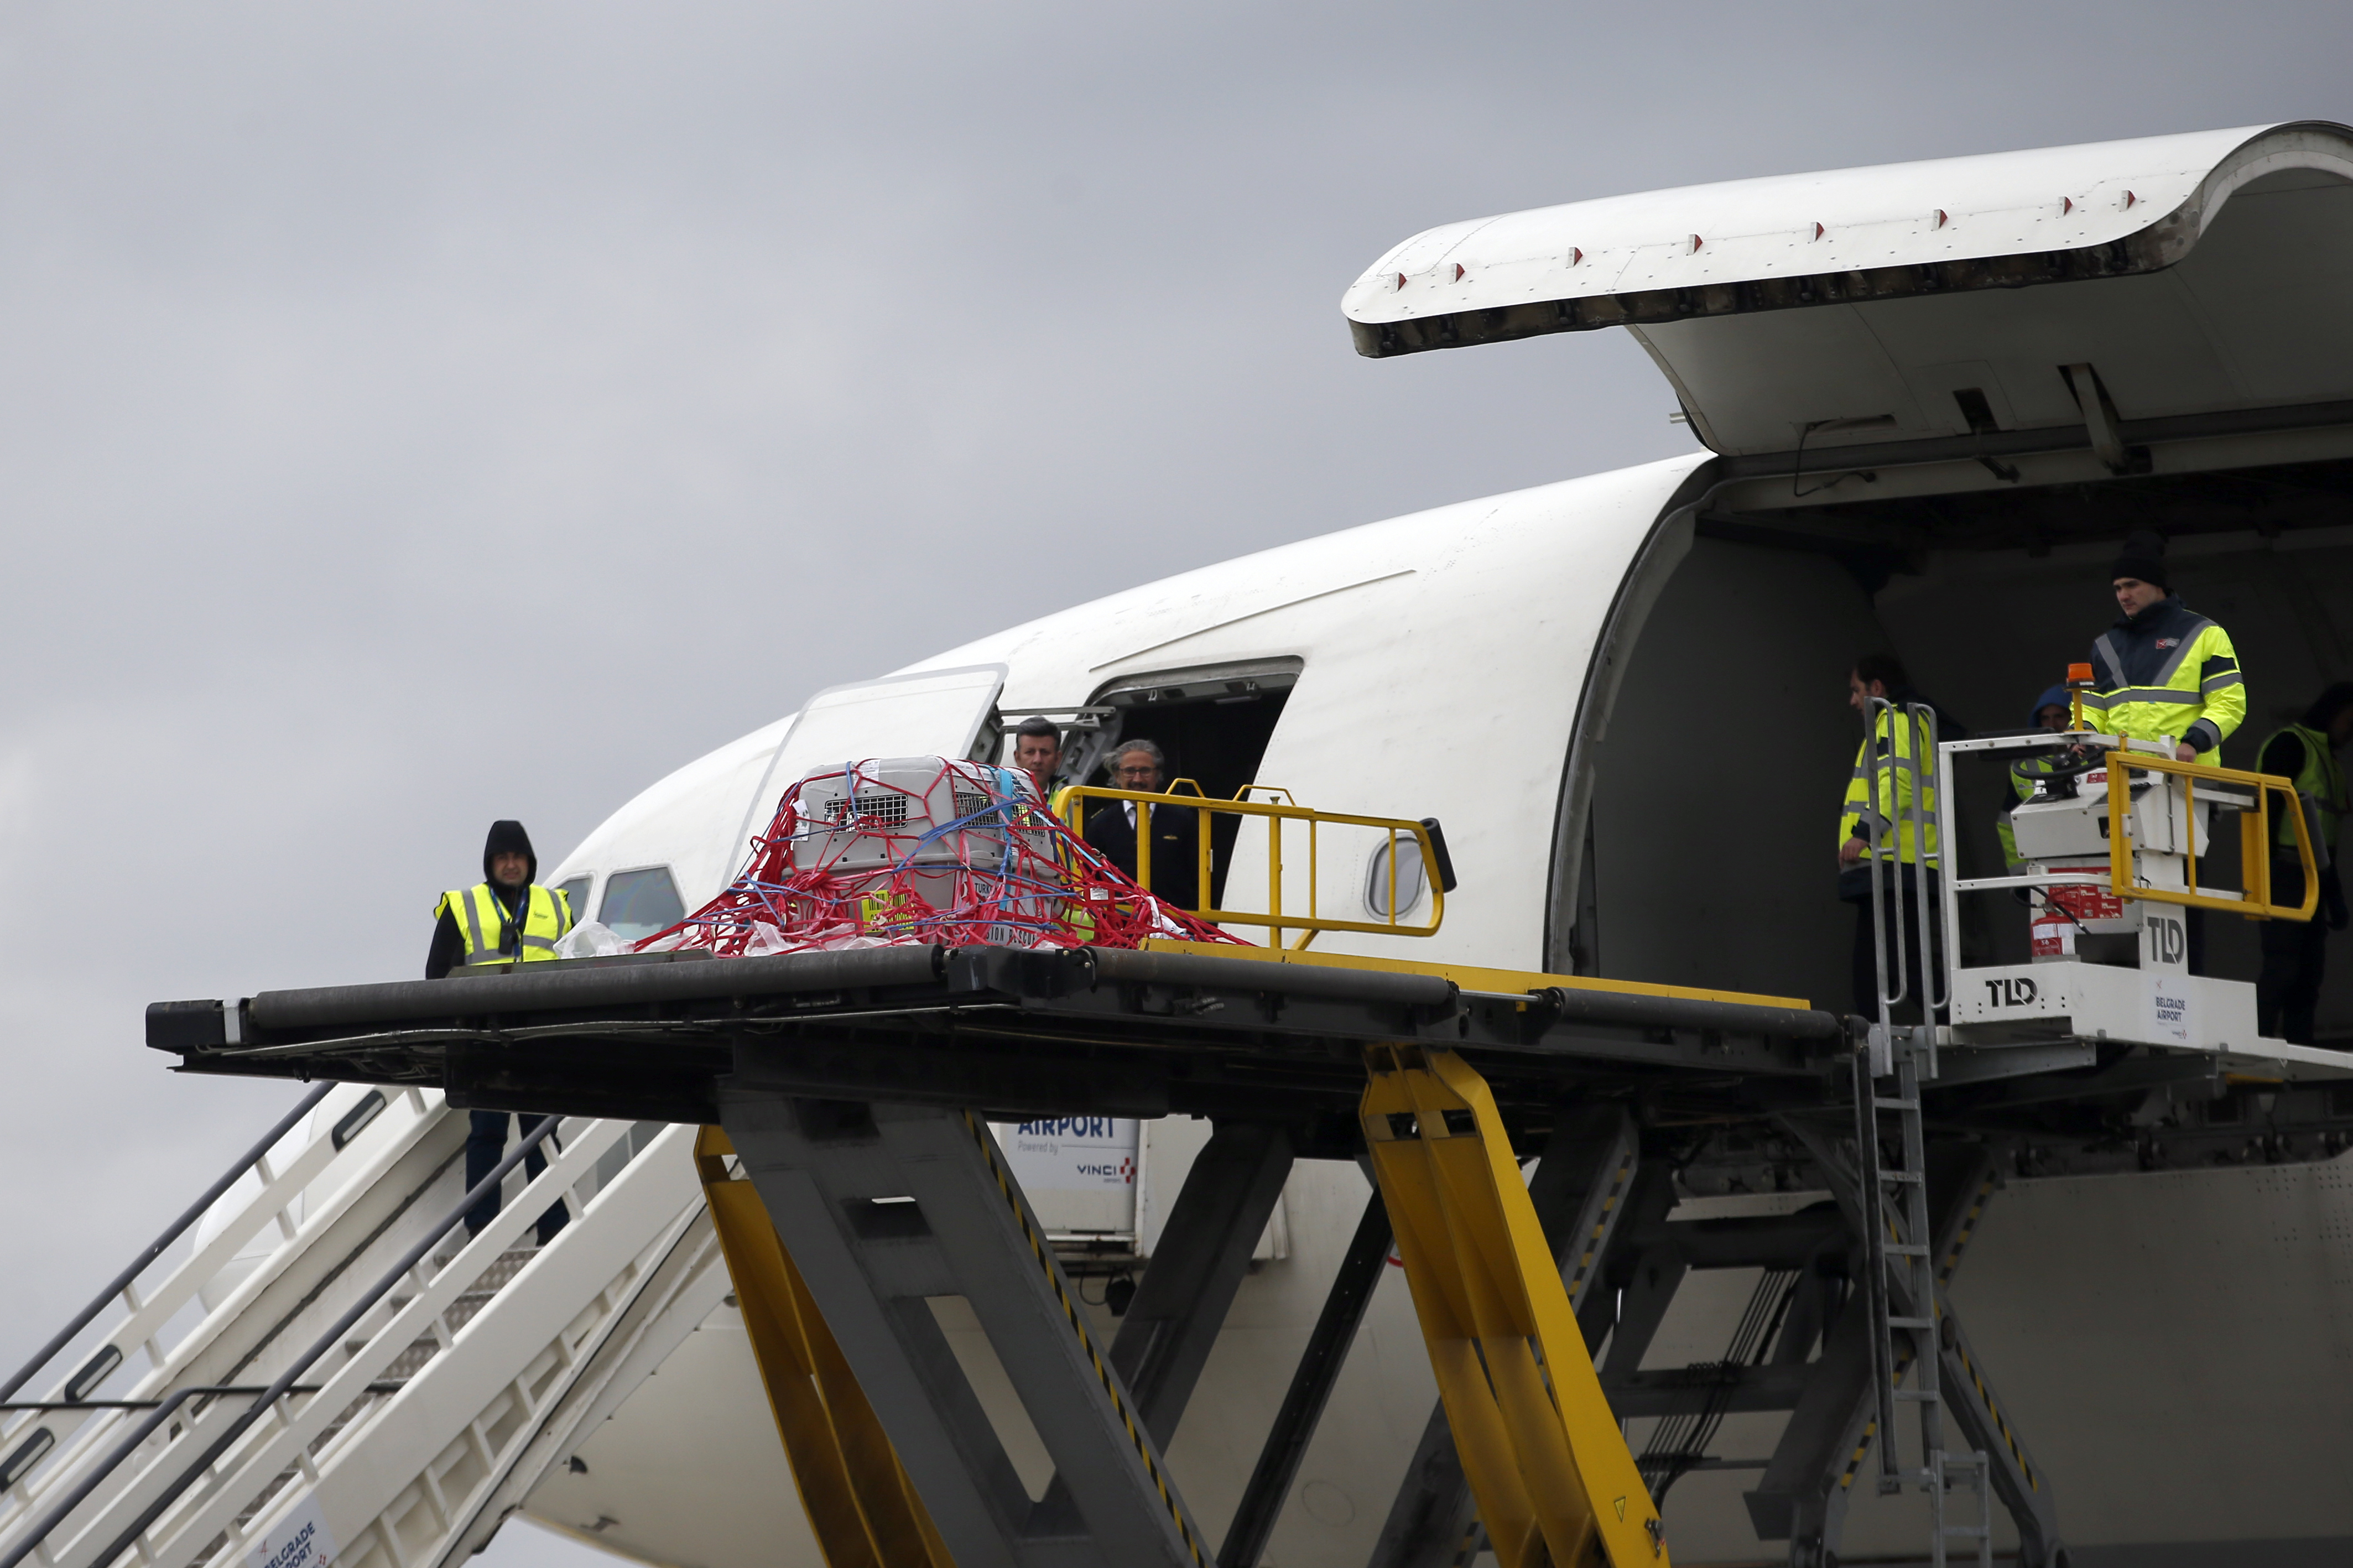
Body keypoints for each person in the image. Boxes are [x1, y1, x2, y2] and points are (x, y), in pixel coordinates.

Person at [428, 820, 574, 1246]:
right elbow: (435, 977)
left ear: (530, 861)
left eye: (518, 857)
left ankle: (553, 1227)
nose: (511, 864)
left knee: (542, 1135)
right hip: (484, 1040)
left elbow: (576, 963)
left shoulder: (556, 904)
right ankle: (481, 1230)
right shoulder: (463, 905)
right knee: (487, 1133)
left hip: (539, 1038)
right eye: (503, 857)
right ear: (490, 863)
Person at [2081, 531, 2246, 764]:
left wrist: (2193, 744)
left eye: (2132, 585)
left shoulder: (2204, 633)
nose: (2124, 596)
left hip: (2187, 775)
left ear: (2157, 585)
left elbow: (2229, 703)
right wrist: (2083, 736)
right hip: (2121, 775)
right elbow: (2090, 709)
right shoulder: (2105, 645)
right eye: (2118, 588)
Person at [1837, 654, 1941, 1021]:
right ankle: (1868, 1028)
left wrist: (1864, 833)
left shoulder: (1896, 721)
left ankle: (1950, 1017)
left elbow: (1897, 782)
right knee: (1877, 962)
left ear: (1877, 687)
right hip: (1894, 865)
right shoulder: (1901, 721)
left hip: (1896, 863)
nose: (1852, 700)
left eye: (1856, 690)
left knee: (1898, 961)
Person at [2257, 684, 2353, 1044]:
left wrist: (2334, 895)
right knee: (2283, 967)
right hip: (2285, 872)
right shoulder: (2292, 745)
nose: (2351, 731)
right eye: (2349, 721)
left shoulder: (2326, 758)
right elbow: (2267, 813)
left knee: (2308, 974)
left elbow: (2325, 839)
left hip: (2313, 875)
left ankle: (2300, 1046)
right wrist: (2265, 872)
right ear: (2333, 712)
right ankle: (2259, 1040)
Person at [1083, 739, 1201, 910]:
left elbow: (1199, 877)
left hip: (1174, 919)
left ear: (1157, 774)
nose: (1137, 779)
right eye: (1130, 771)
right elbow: (1091, 878)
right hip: (1118, 921)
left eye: (1145, 771)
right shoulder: (1100, 824)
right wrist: (1102, 915)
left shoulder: (1183, 819)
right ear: (1117, 776)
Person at [1997, 685, 2074, 872]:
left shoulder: (2102, 757)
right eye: (2045, 718)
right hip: (2047, 866)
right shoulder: (2023, 767)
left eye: (2059, 716)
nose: (2052, 724)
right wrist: (2021, 874)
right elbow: (2008, 824)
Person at [1011, 716, 1076, 817]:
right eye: (1030, 752)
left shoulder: (1073, 801)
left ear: (1057, 759)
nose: (1037, 760)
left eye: (1045, 752)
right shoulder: (998, 800)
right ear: (1018, 758)